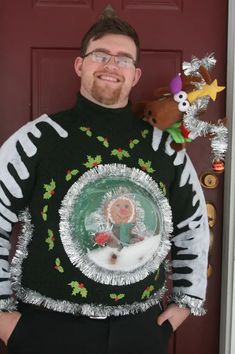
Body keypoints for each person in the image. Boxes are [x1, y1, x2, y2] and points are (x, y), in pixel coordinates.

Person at [0, 9, 209, 354]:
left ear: (135, 74)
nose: (111, 65)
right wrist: (4, 317)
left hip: (139, 331)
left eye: (123, 59)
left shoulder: (164, 148)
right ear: (80, 65)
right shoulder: (40, 138)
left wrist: (185, 303)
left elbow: (194, 227)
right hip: (45, 329)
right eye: (100, 55)